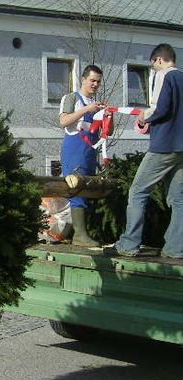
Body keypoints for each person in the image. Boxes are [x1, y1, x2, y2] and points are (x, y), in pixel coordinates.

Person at [110, 43, 183, 258]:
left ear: (159, 60)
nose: (153, 70)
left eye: (153, 66)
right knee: (179, 199)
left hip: (164, 146)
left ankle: (129, 245)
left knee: (138, 191)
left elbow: (159, 107)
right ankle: (175, 249)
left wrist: (144, 116)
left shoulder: (164, 76)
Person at [59, 64, 110, 247]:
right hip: (74, 150)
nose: (95, 84)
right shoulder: (72, 98)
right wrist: (86, 110)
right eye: (92, 80)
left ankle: (81, 233)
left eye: (98, 81)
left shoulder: (96, 105)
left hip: (90, 152)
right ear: (83, 79)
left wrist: (107, 117)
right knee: (76, 189)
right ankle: (80, 235)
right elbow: (63, 121)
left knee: (88, 190)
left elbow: (106, 133)